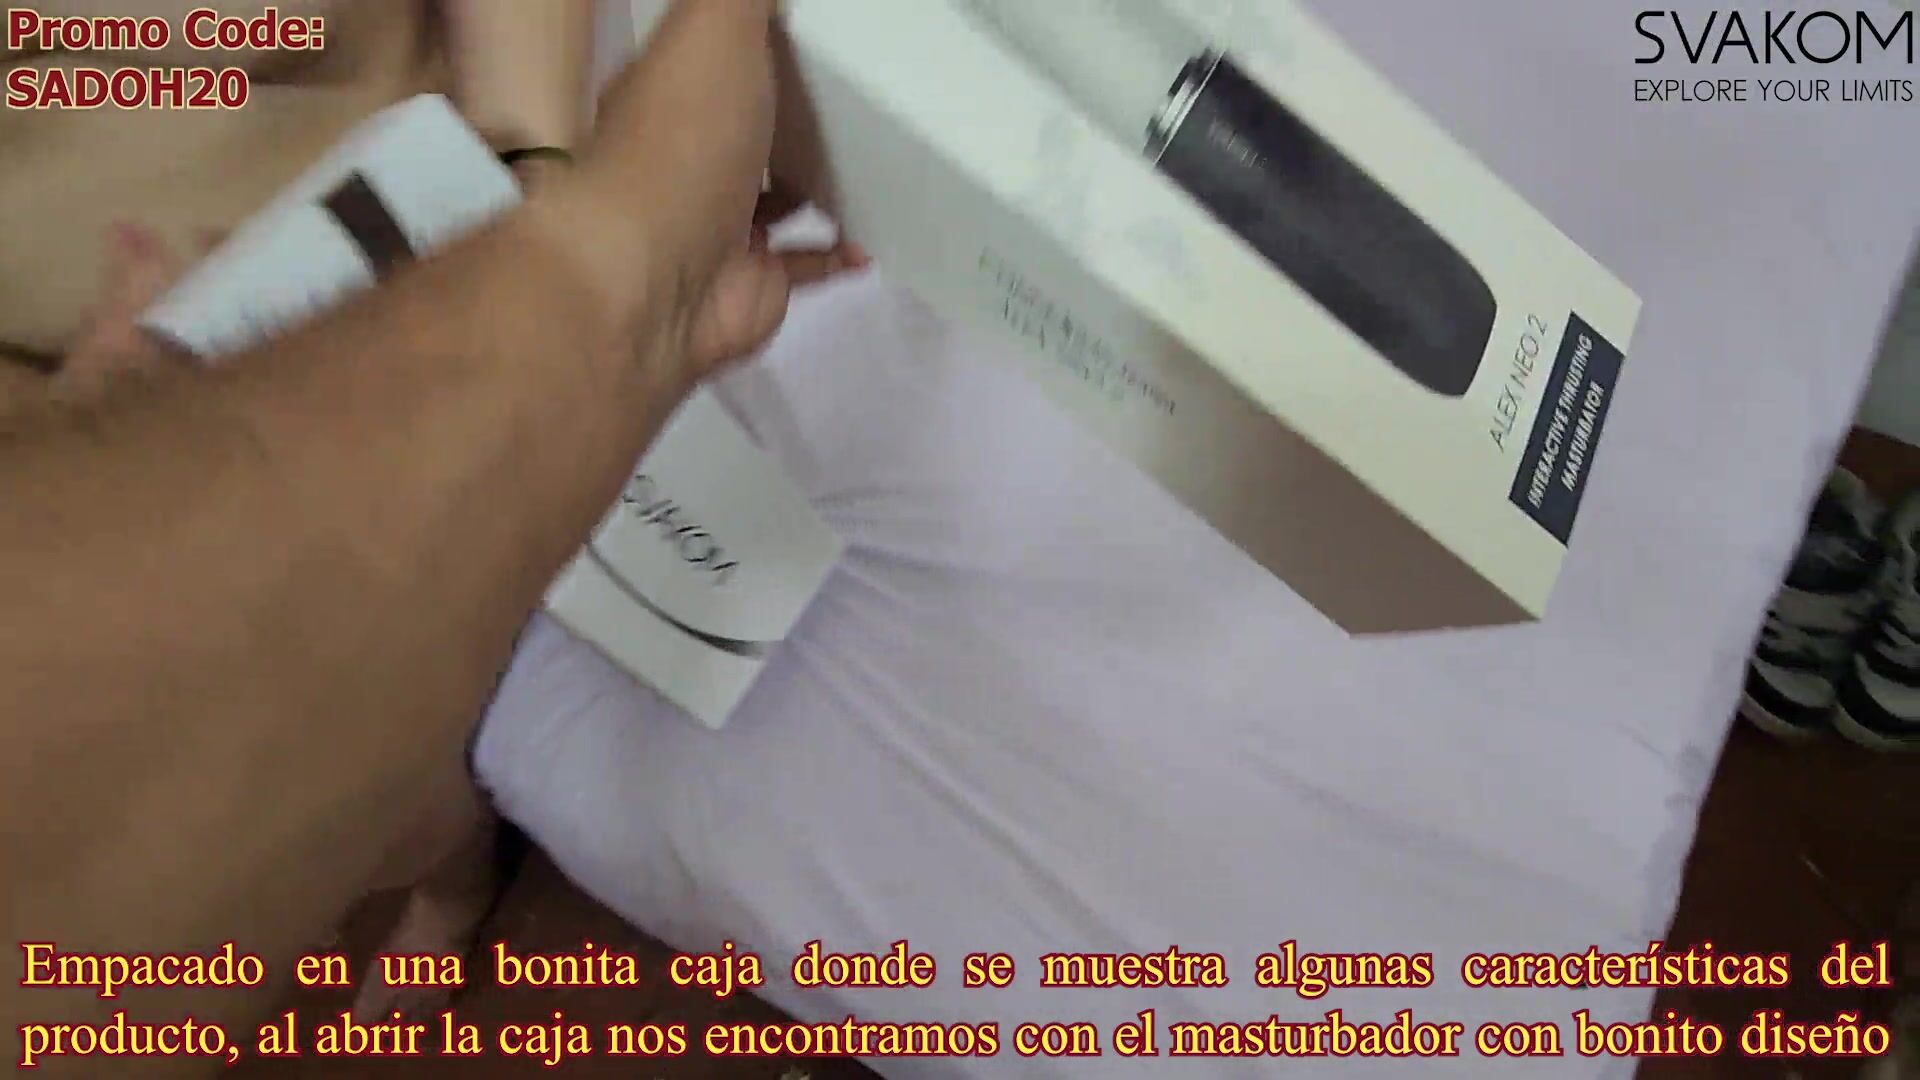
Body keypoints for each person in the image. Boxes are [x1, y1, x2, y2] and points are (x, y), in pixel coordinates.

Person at [0, 0, 855, 1067]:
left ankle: (436, 852)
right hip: (172, 391)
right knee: (292, 740)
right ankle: (436, 860)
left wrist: (541, 192)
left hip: (460, 208)